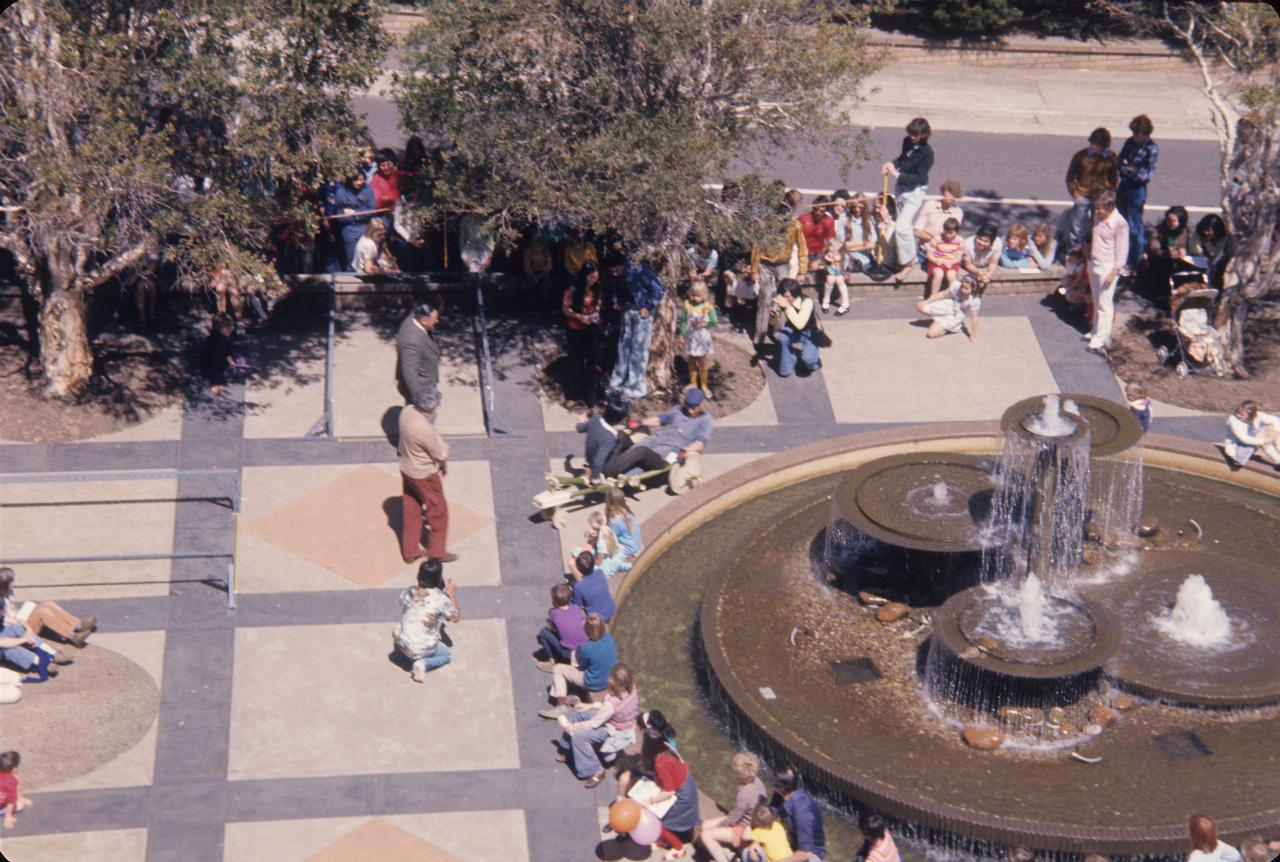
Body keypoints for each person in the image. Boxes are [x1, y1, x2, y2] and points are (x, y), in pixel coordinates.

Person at [624, 712, 700, 860]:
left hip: (682, 796)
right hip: (685, 785)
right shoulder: (666, 747)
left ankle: (678, 848)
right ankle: (663, 840)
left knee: (660, 823)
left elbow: (669, 792)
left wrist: (650, 800)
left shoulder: (660, 762)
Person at [555, 661, 639, 788]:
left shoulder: (612, 702)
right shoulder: (631, 687)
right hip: (622, 723)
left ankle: (595, 770)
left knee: (579, 736)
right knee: (577, 713)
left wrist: (574, 727)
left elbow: (595, 723)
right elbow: (605, 709)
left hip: (615, 731)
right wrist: (589, 705)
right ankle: (568, 749)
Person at [398, 387, 457, 565]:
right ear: (430, 408)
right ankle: (437, 554)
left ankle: (410, 550)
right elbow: (441, 454)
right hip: (424, 475)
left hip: (406, 469)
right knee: (438, 513)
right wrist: (443, 466)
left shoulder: (406, 412)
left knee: (412, 509)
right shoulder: (423, 429)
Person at [604, 387, 713, 477]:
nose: (690, 410)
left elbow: (700, 442)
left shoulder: (705, 420)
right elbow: (660, 420)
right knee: (634, 449)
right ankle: (607, 465)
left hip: (673, 446)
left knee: (645, 456)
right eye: (688, 405)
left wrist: (685, 450)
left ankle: (622, 476)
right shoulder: (679, 410)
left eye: (694, 407)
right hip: (658, 437)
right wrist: (640, 422)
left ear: (701, 405)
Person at [750, 204, 809, 355]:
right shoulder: (765, 224)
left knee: (784, 298)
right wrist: (754, 269)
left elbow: (802, 248)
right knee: (765, 298)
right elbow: (757, 246)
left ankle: (778, 334)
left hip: (782, 265)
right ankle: (760, 338)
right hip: (765, 264)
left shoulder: (795, 226)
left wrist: (802, 270)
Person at [882, 117, 935, 285]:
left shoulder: (927, 153)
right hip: (902, 187)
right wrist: (891, 163)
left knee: (902, 228)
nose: (912, 137)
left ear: (924, 134)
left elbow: (920, 177)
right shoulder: (907, 141)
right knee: (902, 225)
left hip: (915, 190)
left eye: (916, 135)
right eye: (911, 133)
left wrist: (896, 174)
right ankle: (901, 258)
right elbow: (902, 159)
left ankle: (908, 263)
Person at [392, 559, 459, 683]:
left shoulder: (410, 591)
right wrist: (450, 592)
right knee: (446, 655)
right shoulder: (441, 600)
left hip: (401, 640)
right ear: (438, 578)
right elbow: (455, 617)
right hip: (421, 647)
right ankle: (422, 663)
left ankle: (413, 656)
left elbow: (402, 601)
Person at [539, 612, 616, 718]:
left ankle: (561, 706)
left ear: (587, 630)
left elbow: (582, 667)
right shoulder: (609, 639)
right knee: (574, 654)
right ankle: (574, 691)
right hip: (609, 678)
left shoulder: (586, 648)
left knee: (558, 669)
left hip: (594, 682)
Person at [609, 257, 666, 400]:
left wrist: (649, 306)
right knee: (624, 346)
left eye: (617, 270)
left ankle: (634, 385)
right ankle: (618, 380)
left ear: (622, 265)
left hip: (642, 313)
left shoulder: (639, 270)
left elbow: (659, 288)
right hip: (627, 311)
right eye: (612, 272)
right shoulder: (619, 275)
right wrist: (618, 301)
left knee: (639, 349)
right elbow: (618, 288)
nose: (615, 274)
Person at [698, 751, 769, 862]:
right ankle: (728, 853)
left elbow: (732, 819)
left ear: (739, 774)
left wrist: (719, 827)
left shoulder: (744, 795)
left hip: (743, 827)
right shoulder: (758, 782)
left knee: (706, 835)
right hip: (751, 822)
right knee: (705, 825)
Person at [0, 567, 94, 649]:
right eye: (12, 581)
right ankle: (73, 636)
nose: (14, 583)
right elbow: (5, 621)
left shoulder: (8, 592)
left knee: (48, 604)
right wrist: (19, 620)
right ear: (5, 585)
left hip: (18, 618)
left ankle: (79, 625)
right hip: (16, 628)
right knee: (42, 612)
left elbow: (12, 609)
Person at [1086, 189, 1130, 353]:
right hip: (1094, 263)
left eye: (1100, 209)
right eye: (1096, 208)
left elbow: (1122, 249)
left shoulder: (1120, 223)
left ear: (1110, 206)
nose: (1097, 212)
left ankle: (1100, 339)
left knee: (1105, 304)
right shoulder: (1097, 217)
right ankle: (1094, 331)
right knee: (1096, 301)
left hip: (1107, 267)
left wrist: (1114, 272)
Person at [1117, 114, 1159, 271]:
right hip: (1124, 185)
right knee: (1120, 221)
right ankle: (1121, 254)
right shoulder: (1130, 142)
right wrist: (1126, 169)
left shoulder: (1151, 148)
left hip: (1137, 189)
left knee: (1134, 226)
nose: (1134, 136)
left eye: (1137, 133)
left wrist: (1131, 170)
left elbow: (1147, 175)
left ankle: (1134, 260)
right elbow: (1120, 161)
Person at [1066, 127, 1119, 250]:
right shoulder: (1080, 156)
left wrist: (1110, 195)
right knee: (1077, 226)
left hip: (1101, 197)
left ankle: (1095, 250)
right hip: (1083, 195)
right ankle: (1074, 252)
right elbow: (1070, 177)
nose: (1092, 146)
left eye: (1096, 144)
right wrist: (1075, 194)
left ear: (1104, 146)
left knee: (1099, 225)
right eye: (1092, 143)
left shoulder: (1111, 157)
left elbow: (1114, 177)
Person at [564, 262, 605, 406]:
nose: (594, 280)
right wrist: (581, 317)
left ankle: (591, 394)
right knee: (577, 359)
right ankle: (575, 391)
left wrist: (595, 315)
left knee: (594, 360)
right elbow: (566, 309)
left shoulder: (596, 289)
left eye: (596, 277)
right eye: (592, 277)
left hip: (592, 328)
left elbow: (598, 304)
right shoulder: (573, 289)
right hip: (576, 327)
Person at [770, 766, 826, 860]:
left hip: (811, 854)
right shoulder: (780, 795)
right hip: (792, 841)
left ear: (780, 788)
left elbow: (805, 853)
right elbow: (768, 817)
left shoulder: (802, 812)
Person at [395, 302, 442, 410]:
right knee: (420, 420)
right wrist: (421, 402)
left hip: (426, 382)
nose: (437, 321)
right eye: (434, 319)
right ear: (424, 321)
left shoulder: (414, 318)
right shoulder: (412, 342)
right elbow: (410, 374)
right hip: (422, 388)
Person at [772, 279, 822, 377]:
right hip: (793, 329)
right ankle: (788, 363)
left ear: (795, 293)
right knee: (782, 338)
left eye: (787, 296)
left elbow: (800, 324)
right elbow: (774, 323)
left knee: (809, 361)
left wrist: (786, 306)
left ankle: (815, 361)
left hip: (809, 332)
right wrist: (774, 315)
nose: (785, 299)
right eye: (783, 296)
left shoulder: (807, 302)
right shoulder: (784, 301)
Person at [915, 273, 985, 342]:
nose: (962, 290)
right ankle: (939, 320)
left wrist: (972, 335)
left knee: (931, 334)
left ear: (973, 289)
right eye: (962, 287)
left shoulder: (974, 300)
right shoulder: (956, 285)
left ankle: (956, 327)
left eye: (966, 288)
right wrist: (926, 301)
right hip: (949, 305)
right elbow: (943, 294)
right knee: (921, 307)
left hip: (956, 314)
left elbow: (974, 318)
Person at [678, 281, 719, 396]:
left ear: (705, 295)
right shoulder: (687, 304)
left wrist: (703, 323)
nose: (694, 298)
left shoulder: (707, 306)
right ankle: (693, 383)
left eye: (698, 295)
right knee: (691, 359)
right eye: (693, 294)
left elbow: (714, 321)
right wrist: (681, 335)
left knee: (702, 361)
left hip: (702, 338)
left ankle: (704, 385)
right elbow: (683, 321)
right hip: (691, 337)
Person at [575, 399, 628, 485]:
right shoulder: (610, 438)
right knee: (642, 451)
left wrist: (581, 420)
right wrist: (595, 479)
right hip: (605, 467)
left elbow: (579, 428)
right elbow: (598, 462)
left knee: (622, 436)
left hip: (589, 458)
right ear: (620, 420)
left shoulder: (595, 419)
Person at [913, 178, 965, 265]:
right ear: (944, 192)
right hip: (925, 253)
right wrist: (938, 238)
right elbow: (917, 232)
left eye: (955, 195)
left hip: (946, 254)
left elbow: (952, 236)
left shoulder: (958, 212)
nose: (952, 197)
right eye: (950, 193)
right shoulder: (929, 205)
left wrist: (927, 231)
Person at [333, 167, 377, 270]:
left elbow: (371, 210)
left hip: (365, 228)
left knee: (367, 258)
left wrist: (355, 213)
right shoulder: (341, 192)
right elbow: (340, 217)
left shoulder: (368, 190)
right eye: (357, 180)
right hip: (349, 230)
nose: (360, 182)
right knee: (351, 260)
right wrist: (351, 216)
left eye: (362, 179)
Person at [1145, 206, 1192, 298]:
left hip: (1179, 260)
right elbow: (1154, 249)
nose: (1170, 223)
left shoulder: (1184, 231)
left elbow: (1187, 246)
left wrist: (1183, 252)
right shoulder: (1159, 230)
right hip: (1160, 261)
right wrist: (1167, 254)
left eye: (1174, 221)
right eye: (1168, 219)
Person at [536, 583, 587, 668]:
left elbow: (549, 628)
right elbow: (583, 621)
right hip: (584, 648)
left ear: (554, 602)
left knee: (543, 633)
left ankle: (551, 661)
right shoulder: (576, 608)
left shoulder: (554, 613)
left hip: (568, 653)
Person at [200, 314, 250, 395]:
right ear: (221, 328)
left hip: (221, 362)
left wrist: (230, 360)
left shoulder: (222, 338)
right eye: (229, 326)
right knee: (242, 363)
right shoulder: (216, 343)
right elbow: (211, 365)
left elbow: (227, 350)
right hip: (215, 366)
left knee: (243, 359)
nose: (232, 328)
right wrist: (215, 384)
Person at [1223, 400, 1280, 467]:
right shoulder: (1233, 419)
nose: (1238, 415)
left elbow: (1275, 420)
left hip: (1249, 447)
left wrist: (1275, 432)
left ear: (1251, 414)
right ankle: (1278, 460)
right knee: (1262, 435)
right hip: (1237, 453)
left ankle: (1278, 460)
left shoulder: (1257, 415)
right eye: (1237, 412)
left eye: (1241, 414)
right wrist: (1264, 440)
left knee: (1272, 430)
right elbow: (1244, 439)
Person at [567, 549, 616, 622]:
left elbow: (577, 606)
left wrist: (568, 596)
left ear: (578, 569)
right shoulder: (600, 573)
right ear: (593, 564)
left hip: (597, 618)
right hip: (611, 609)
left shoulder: (579, 587)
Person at [923, 218, 965, 299]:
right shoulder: (938, 238)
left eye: (950, 233)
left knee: (951, 276)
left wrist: (951, 262)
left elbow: (959, 258)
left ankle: (953, 296)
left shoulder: (959, 240)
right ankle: (933, 295)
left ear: (956, 232)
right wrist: (936, 260)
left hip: (952, 262)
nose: (947, 235)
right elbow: (929, 254)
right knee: (939, 274)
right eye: (946, 232)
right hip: (937, 261)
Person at [604, 487, 642, 572]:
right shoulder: (625, 510)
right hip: (636, 543)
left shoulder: (615, 520)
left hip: (629, 548)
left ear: (609, 502)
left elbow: (610, 537)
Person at [836, 192, 875, 274]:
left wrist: (852, 248)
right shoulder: (844, 218)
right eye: (854, 207)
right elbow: (842, 244)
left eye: (860, 207)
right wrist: (863, 243)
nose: (857, 210)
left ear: (864, 207)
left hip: (864, 261)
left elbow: (872, 244)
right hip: (847, 261)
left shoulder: (868, 220)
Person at [1192, 214, 1233, 292]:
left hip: (1218, 262)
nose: (1205, 233)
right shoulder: (1198, 233)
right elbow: (1195, 248)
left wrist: (1212, 264)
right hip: (1201, 260)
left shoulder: (1224, 239)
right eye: (1204, 229)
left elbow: (1220, 254)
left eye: (1208, 230)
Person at [799, 195, 837, 272]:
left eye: (821, 211)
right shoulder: (803, 218)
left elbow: (831, 241)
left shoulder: (829, 221)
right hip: (802, 251)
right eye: (816, 209)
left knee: (816, 267)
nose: (818, 213)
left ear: (826, 210)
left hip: (818, 253)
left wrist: (822, 259)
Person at [0, 751, 31, 832]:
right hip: (1, 808)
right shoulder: (11, 779)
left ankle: (19, 798)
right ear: (14, 768)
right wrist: (8, 816)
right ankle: (20, 798)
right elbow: (11, 800)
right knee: (19, 805)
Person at [819, 239, 850, 315]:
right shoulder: (827, 255)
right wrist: (829, 261)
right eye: (831, 252)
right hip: (831, 271)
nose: (832, 254)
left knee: (840, 280)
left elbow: (844, 268)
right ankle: (826, 300)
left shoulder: (844, 257)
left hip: (840, 272)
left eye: (835, 253)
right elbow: (823, 264)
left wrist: (837, 262)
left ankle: (845, 303)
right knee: (830, 279)